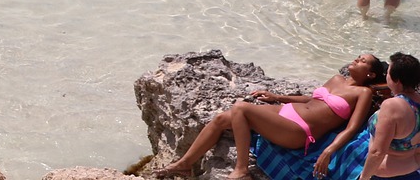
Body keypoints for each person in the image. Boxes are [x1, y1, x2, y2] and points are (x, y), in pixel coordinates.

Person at [153, 53, 383, 179]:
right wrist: (278, 97)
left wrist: (328, 150)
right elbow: (311, 100)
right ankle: (184, 164)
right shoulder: (336, 79)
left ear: (370, 73)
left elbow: (351, 128)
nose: (356, 60)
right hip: (285, 114)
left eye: (362, 61)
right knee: (223, 118)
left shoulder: (362, 93)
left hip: (299, 132)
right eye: (357, 57)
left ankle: (241, 170)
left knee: (242, 108)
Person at [358, 52, 420, 180]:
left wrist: (364, 177)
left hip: (386, 172)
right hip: (412, 166)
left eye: (388, 74)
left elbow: (377, 152)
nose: (386, 76)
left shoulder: (392, 106)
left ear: (396, 80)